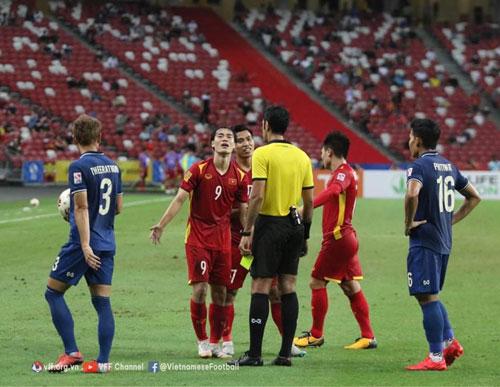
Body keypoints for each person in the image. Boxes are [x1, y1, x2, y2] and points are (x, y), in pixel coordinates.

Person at [150, 127, 249, 359]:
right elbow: (180, 199)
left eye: (229, 138)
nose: (225, 140)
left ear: (233, 146)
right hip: (197, 238)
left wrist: (247, 235)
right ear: (213, 144)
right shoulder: (198, 169)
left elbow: (243, 211)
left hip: (223, 240)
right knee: (200, 289)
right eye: (221, 137)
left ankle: (216, 343)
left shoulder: (241, 178)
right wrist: (161, 225)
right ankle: (202, 341)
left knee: (221, 293)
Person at [229, 106, 314, 367]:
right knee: (288, 286)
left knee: (261, 287)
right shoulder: (302, 156)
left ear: (265, 125)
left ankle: (255, 354)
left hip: (269, 224)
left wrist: (247, 231)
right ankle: (285, 353)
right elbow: (309, 202)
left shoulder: (262, 154)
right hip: (295, 226)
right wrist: (306, 234)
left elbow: (257, 195)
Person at [45, 114, 123, 373]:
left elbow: (80, 208)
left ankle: (72, 352)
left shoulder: (78, 167)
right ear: (99, 137)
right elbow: (118, 207)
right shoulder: (113, 166)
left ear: (75, 138)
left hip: (82, 244)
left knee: (53, 292)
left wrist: (86, 245)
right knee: (102, 302)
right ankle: (103, 362)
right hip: (108, 242)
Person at [404, 118, 481, 371]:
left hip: (425, 240)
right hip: (443, 242)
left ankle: (436, 357)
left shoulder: (420, 166)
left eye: (410, 136)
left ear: (418, 140)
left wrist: (409, 223)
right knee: (428, 295)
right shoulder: (449, 166)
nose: (408, 141)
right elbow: (474, 196)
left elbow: (412, 193)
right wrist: (451, 221)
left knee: (427, 298)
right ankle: (449, 342)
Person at [293, 131, 377, 350]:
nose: (321, 156)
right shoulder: (348, 172)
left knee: (316, 281)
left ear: (329, 152)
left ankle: (316, 335)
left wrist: (304, 209)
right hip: (346, 239)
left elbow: (333, 192)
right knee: (349, 285)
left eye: (323, 152)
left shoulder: (343, 173)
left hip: (338, 239)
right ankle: (368, 336)